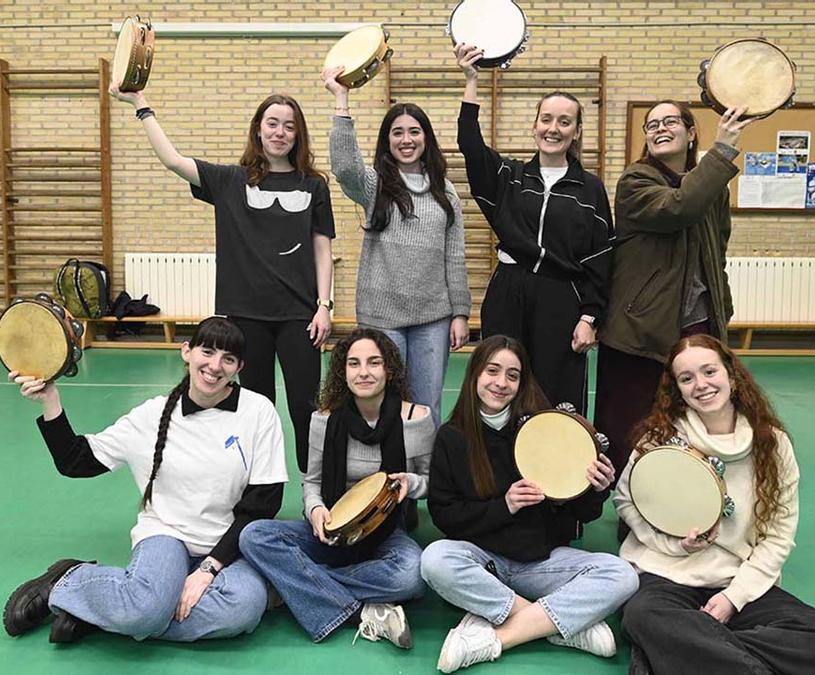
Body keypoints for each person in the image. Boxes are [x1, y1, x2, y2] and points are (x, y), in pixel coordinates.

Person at [2, 317, 287, 644]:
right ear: (186, 352)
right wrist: (51, 400)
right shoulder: (152, 415)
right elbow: (76, 461)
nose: (215, 366)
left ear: (240, 367)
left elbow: (264, 503)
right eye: (206, 352)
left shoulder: (258, 412)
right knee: (147, 608)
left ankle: (111, 615)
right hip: (167, 534)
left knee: (242, 608)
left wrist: (209, 568)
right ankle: (68, 581)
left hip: (230, 544)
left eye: (228, 359)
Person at [110, 85, 335, 472]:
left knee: (306, 407)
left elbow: (322, 248)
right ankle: (257, 483)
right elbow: (173, 160)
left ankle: (315, 486)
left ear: (298, 135)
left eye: (289, 126)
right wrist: (140, 105)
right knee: (256, 407)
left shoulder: (313, 185)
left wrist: (324, 306)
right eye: (272, 124)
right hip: (245, 317)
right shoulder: (231, 181)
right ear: (258, 129)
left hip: (299, 315)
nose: (280, 132)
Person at [615, 334, 815, 674]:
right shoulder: (660, 439)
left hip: (736, 579)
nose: (701, 384)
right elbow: (626, 500)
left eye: (709, 371)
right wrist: (675, 545)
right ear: (677, 390)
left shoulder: (772, 444)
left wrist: (733, 598)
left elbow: (779, 535)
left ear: (731, 374)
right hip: (666, 576)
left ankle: (675, 651)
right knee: (642, 615)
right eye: (687, 378)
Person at [420, 335, 638, 673]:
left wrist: (596, 489)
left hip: (541, 562)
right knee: (434, 560)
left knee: (622, 574)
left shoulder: (545, 429)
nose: (501, 383)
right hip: (483, 562)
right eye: (493, 371)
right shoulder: (452, 436)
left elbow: (582, 513)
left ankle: (501, 634)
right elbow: (445, 516)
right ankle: (558, 626)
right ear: (475, 373)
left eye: (513, 375)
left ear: (522, 382)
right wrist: (503, 505)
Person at [240, 328, 432, 648]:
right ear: (343, 372)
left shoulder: (416, 419)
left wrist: (411, 484)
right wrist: (315, 510)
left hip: (385, 532)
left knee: (412, 574)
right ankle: (362, 607)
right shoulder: (324, 420)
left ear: (389, 369)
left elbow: (433, 483)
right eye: (354, 364)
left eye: (374, 363)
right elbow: (312, 481)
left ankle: (296, 586)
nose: (364, 372)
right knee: (254, 536)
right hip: (329, 531)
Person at [453, 43, 614, 415]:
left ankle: (557, 468)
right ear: (535, 125)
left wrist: (590, 317)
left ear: (576, 131)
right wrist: (472, 79)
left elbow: (601, 258)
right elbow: (470, 144)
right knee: (499, 386)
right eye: (546, 119)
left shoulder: (590, 189)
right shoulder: (509, 176)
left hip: (561, 299)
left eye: (564, 121)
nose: (553, 129)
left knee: (556, 394)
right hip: (508, 290)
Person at [595, 101, 752, 476]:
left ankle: (687, 500)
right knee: (632, 426)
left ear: (691, 132)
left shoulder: (711, 185)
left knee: (694, 420)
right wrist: (724, 150)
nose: (659, 128)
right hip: (641, 331)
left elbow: (719, 246)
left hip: (698, 325)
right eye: (652, 125)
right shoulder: (636, 181)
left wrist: (721, 308)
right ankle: (631, 507)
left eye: (670, 121)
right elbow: (679, 207)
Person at [323, 66, 472, 425]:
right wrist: (341, 100)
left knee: (426, 410)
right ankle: (387, 479)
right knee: (384, 406)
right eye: (397, 133)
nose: (406, 139)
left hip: (432, 321)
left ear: (426, 139)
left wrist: (461, 313)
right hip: (381, 318)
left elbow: (455, 257)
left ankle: (426, 480)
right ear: (387, 140)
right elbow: (344, 168)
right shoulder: (374, 186)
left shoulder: (446, 192)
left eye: (414, 132)